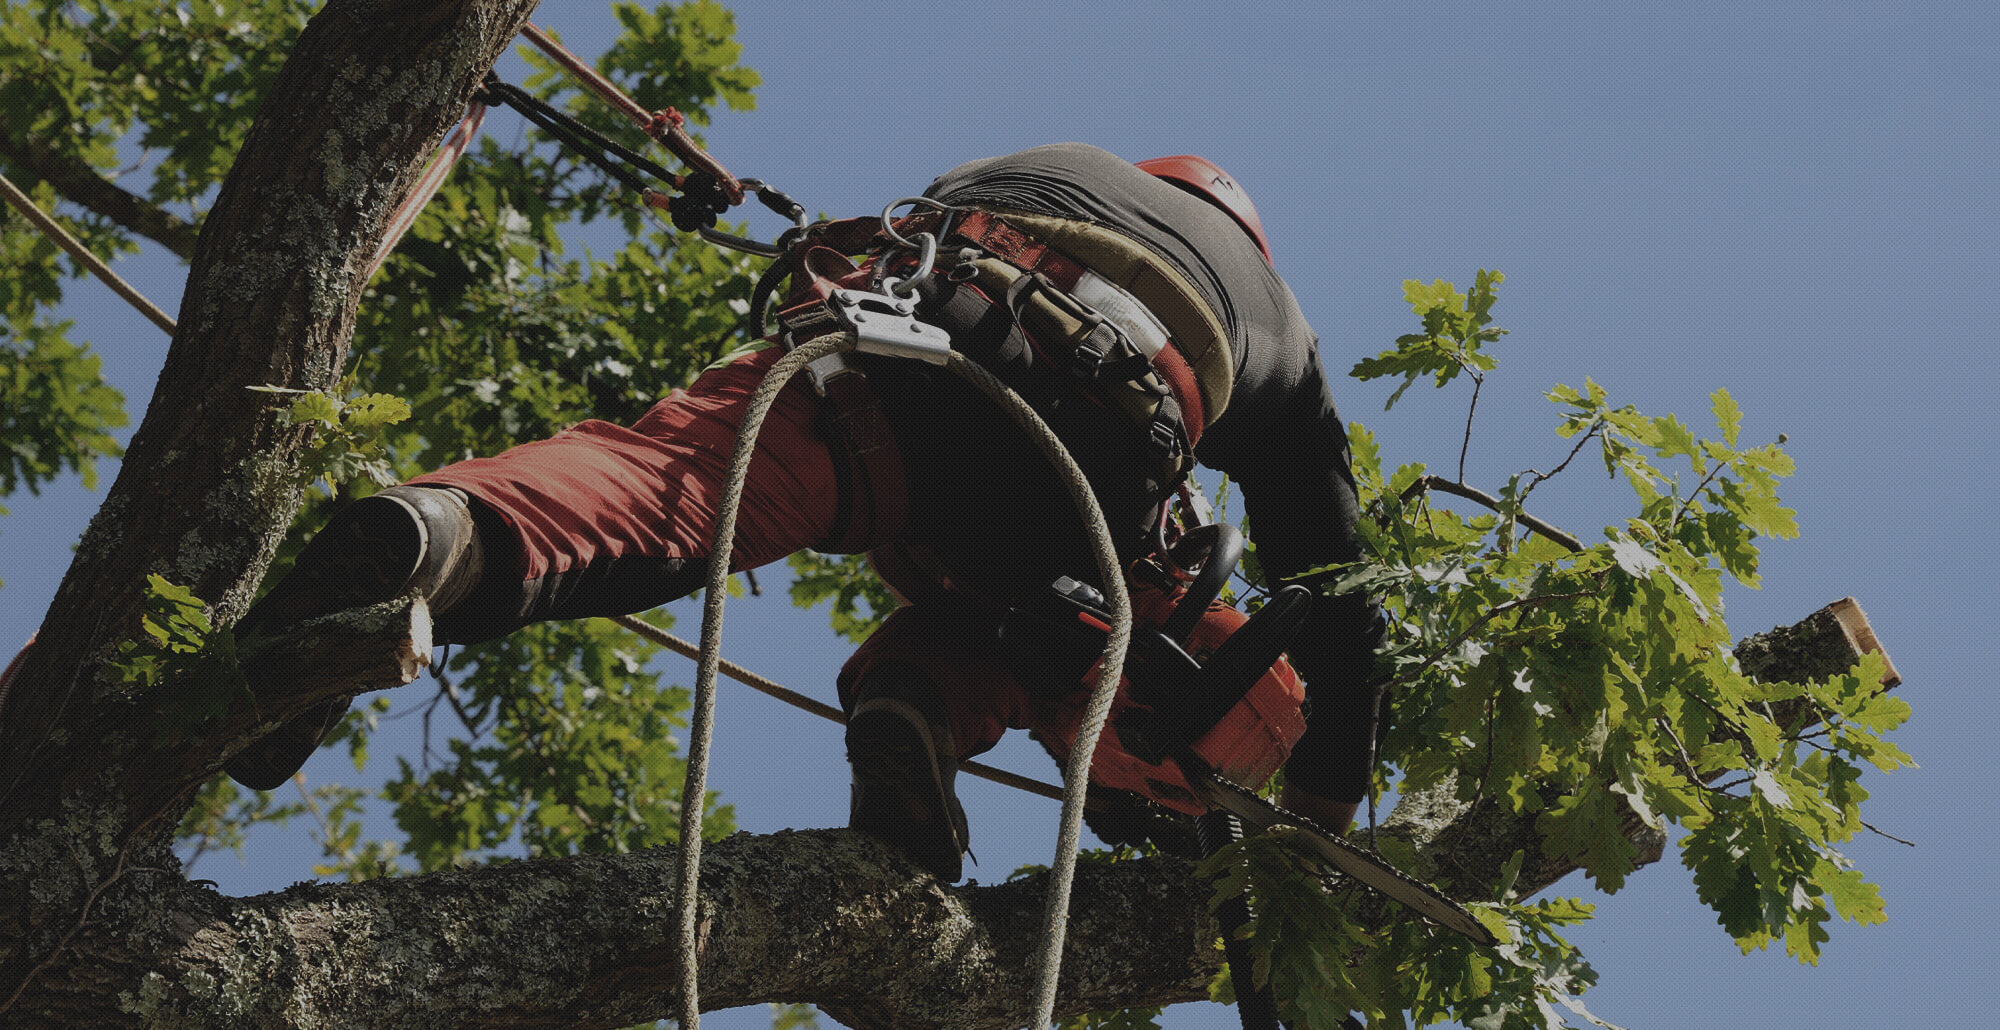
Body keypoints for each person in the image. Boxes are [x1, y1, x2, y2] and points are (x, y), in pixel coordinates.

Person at [227, 143, 1387, 882]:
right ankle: (926, 705)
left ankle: (434, 536)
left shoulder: (1046, 166)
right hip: (1089, 458)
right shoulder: (1272, 317)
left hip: (904, 351)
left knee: (665, 485)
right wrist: (1330, 794)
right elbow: (1336, 582)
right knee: (1105, 621)